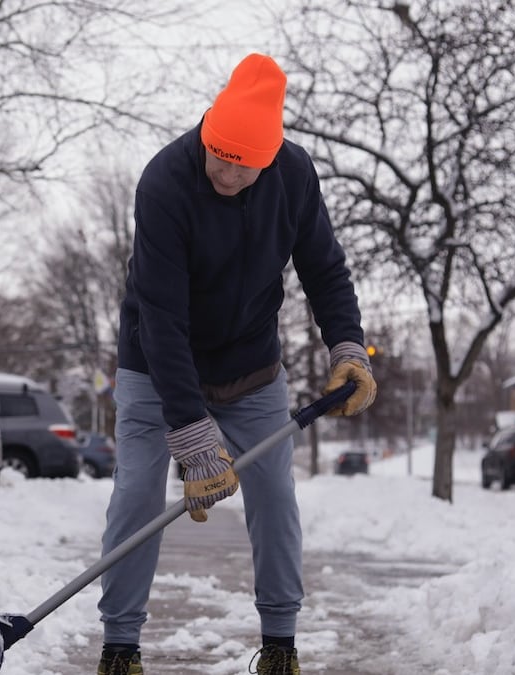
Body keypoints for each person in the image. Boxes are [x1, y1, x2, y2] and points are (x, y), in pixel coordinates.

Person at [95, 52, 377, 675]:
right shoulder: (165, 181)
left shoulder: (295, 175)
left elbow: (324, 269)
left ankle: (280, 644)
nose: (226, 172)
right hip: (156, 364)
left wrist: (348, 347)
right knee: (139, 495)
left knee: (275, 493)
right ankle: (120, 648)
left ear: (269, 156)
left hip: (252, 369)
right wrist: (193, 440)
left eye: (243, 164)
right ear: (207, 133)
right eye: (219, 155)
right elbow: (160, 317)